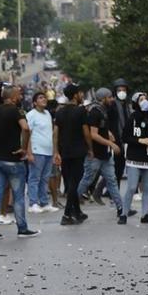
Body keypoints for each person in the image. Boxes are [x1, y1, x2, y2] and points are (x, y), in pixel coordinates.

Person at [0, 85, 40, 240]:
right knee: (18, 195)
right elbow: (26, 129)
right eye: (18, 94)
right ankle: (22, 228)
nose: (20, 97)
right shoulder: (17, 111)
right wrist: (24, 148)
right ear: (13, 97)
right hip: (13, 160)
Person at [76, 88, 124, 220]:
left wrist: (108, 134)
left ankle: (120, 209)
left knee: (112, 180)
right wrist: (111, 144)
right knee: (87, 180)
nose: (112, 99)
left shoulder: (103, 111)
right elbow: (93, 134)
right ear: (103, 98)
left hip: (105, 155)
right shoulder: (95, 112)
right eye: (109, 97)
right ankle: (73, 205)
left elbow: (101, 129)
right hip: (95, 155)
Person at [54, 84, 89, 226]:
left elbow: (55, 133)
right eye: (80, 93)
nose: (82, 96)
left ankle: (78, 212)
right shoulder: (81, 111)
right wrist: (90, 148)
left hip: (64, 151)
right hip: (78, 151)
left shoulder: (59, 112)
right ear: (75, 95)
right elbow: (86, 132)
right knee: (74, 182)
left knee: (70, 181)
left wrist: (56, 151)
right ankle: (67, 214)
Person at [118, 92, 148, 224]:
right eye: (141, 99)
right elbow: (125, 137)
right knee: (132, 187)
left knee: (147, 187)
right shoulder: (132, 118)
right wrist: (140, 140)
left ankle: (144, 215)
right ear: (136, 103)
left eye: (146, 99)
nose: (144, 101)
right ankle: (124, 214)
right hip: (134, 158)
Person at [25, 91, 59, 213]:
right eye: (40, 98)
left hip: (48, 151)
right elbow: (27, 134)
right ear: (34, 102)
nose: (44, 99)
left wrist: (55, 151)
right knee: (34, 178)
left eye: (44, 97)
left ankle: (44, 202)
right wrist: (29, 152)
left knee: (45, 178)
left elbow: (51, 134)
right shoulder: (31, 115)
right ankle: (33, 203)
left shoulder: (48, 114)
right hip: (36, 150)